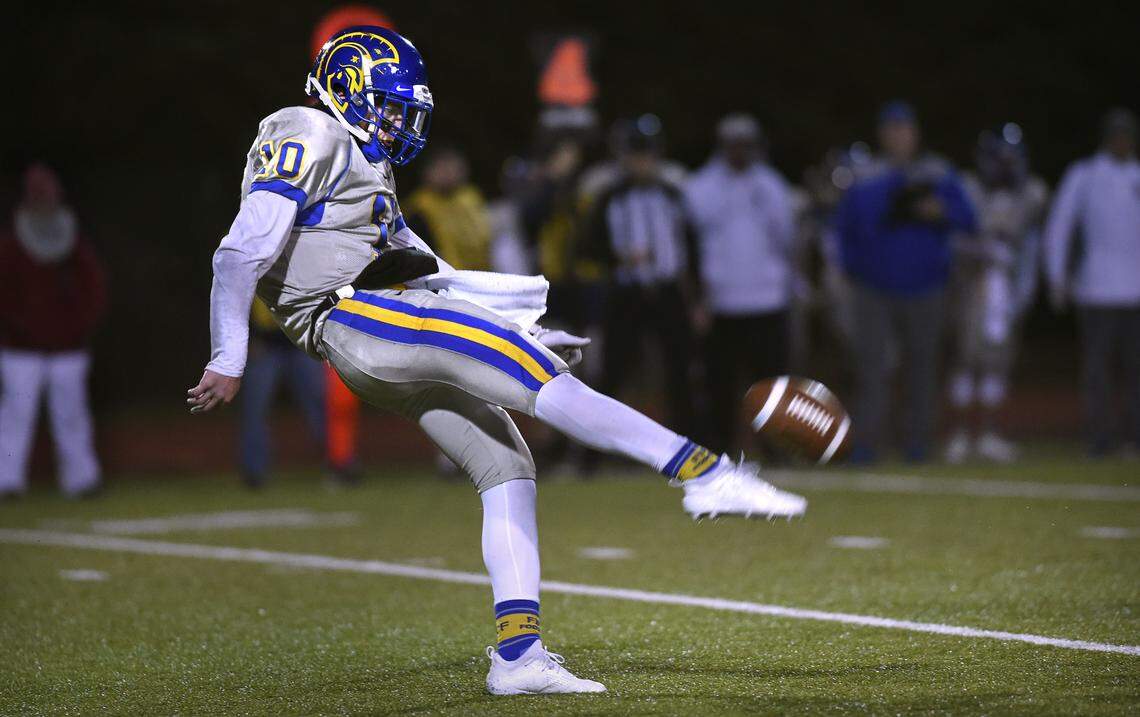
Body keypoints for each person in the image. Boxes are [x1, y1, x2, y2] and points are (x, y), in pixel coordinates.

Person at [187, 26, 805, 696]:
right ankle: (703, 471)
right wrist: (230, 353)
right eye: (390, 105)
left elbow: (430, 270)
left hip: (374, 330)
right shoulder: (308, 129)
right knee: (542, 383)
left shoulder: (366, 168)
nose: (400, 122)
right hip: (357, 316)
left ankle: (517, 654)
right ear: (347, 89)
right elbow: (239, 251)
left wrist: (521, 328)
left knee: (507, 464)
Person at [833, 101, 977, 463]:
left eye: (904, 129)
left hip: (925, 286)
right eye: (891, 129)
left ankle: (917, 443)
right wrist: (852, 270)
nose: (898, 136)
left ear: (915, 133)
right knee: (871, 368)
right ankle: (866, 444)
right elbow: (843, 230)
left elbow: (969, 219)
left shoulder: (937, 172)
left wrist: (938, 211)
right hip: (873, 288)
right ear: (881, 134)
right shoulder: (864, 176)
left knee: (922, 368)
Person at [581, 116, 700, 441]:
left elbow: (690, 246)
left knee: (680, 371)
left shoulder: (672, 195)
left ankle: (688, 444)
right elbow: (587, 246)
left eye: (648, 154)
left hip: (667, 290)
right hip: (626, 290)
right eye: (636, 154)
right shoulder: (610, 196)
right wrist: (619, 257)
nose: (642, 162)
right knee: (613, 372)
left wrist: (698, 298)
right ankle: (595, 449)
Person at [685, 114, 796, 453]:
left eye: (746, 144)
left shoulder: (773, 186)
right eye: (733, 144)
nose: (740, 151)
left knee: (772, 384)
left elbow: (788, 241)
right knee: (720, 384)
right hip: (721, 303)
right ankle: (720, 450)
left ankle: (775, 449)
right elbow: (689, 248)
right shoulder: (699, 187)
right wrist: (697, 299)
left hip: (768, 300)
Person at [0, 163, 106, 499]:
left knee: (72, 416)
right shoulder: (12, 244)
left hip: (68, 349)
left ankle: (81, 481)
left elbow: (94, 288)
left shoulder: (72, 240)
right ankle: (7, 482)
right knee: (16, 416)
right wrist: (21, 327)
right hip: (21, 350)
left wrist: (78, 326)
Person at [944, 124, 1048, 464]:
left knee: (997, 364)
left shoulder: (1031, 194)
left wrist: (1024, 288)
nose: (1005, 166)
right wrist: (981, 251)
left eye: (1010, 159)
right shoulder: (967, 188)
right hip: (972, 285)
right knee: (965, 362)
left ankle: (988, 434)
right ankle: (959, 435)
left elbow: (1032, 247)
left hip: (1007, 287)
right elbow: (952, 239)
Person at [1044, 108, 1140, 457]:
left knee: (1134, 371)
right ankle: (1099, 437)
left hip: (1136, 291)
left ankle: (1134, 437)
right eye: (1116, 135)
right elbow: (1060, 226)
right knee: (1097, 370)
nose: (1121, 141)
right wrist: (1057, 276)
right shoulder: (1085, 175)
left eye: (1127, 135)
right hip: (1096, 289)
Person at [239, 298, 327, 488]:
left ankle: (338, 462)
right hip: (264, 344)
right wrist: (248, 338)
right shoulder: (253, 268)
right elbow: (237, 299)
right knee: (255, 410)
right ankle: (254, 472)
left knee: (321, 404)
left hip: (301, 341)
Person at [404, 146, 493, 270]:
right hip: (445, 277)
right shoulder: (419, 208)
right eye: (442, 169)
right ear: (427, 173)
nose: (449, 174)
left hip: (483, 272)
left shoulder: (470, 197)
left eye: (454, 167)